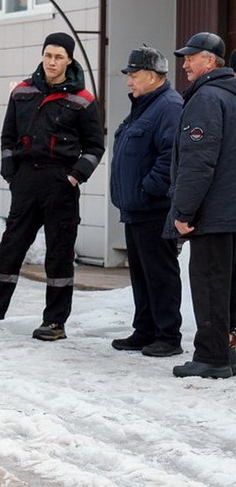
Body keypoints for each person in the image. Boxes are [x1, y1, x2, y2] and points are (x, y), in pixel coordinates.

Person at [0, 32, 105, 341]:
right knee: (10, 248)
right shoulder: (22, 92)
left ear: (69, 60)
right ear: (42, 56)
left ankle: (54, 323)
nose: (52, 61)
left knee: (59, 253)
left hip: (61, 184)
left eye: (59, 56)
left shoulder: (82, 100)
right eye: (48, 55)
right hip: (26, 182)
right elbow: (8, 137)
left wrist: (74, 176)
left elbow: (96, 147)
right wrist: (11, 174)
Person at [166, 32, 236, 379]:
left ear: (210, 61)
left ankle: (211, 356)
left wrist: (183, 213)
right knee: (227, 285)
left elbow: (198, 162)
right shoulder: (229, 95)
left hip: (212, 213)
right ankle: (226, 351)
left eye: (191, 57)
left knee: (209, 284)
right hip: (230, 212)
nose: (185, 63)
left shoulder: (206, 99)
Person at [109, 46, 183, 357]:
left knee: (160, 273)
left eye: (134, 75)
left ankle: (168, 335)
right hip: (137, 209)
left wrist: (144, 190)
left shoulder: (168, 107)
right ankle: (145, 329)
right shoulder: (144, 106)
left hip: (154, 209)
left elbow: (170, 158)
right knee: (141, 274)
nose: (128, 81)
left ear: (152, 77)